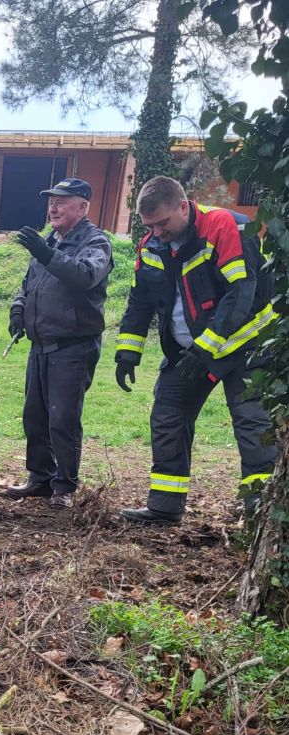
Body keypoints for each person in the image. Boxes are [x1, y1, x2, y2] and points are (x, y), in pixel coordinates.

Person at [114, 175, 276, 525]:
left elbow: (241, 293)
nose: (157, 232)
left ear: (184, 206)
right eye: (150, 226)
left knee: (254, 429)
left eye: (163, 223)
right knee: (168, 417)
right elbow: (140, 302)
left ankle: (261, 521)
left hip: (246, 348)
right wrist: (128, 350)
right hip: (190, 353)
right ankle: (164, 508)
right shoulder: (151, 246)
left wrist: (206, 347)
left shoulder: (225, 226)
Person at [5, 178, 114, 511]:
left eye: (62, 201)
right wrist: (18, 309)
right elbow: (27, 284)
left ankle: (64, 486)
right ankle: (40, 478)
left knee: (62, 419)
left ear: (82, 206)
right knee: (34, 416)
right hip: (40, 345)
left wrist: (47, 253)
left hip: (73, 346)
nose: (53, 207)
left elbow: (84, 276)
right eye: (51, 200)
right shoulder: (49, 240)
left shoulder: (96, 243)